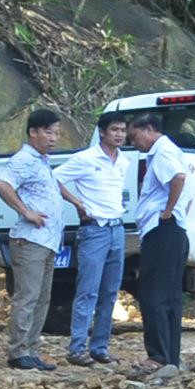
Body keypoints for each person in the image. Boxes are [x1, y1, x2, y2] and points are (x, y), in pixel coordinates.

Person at [54, 111, 132, 365]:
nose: (119, 135)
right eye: (114, 130)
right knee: (88, 290)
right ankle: (77, 347)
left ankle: (100, 346)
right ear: (102, 132)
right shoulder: (86, 158)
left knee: (110, 291)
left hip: (117, 228)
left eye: (122, 130)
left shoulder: (123, 160)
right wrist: (77, 202)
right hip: (94, 229)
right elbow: (54, 178)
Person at [0, 104, 70, 371]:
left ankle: (31, 349)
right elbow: (1, 184)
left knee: (42, 298)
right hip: (30, 240)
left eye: (57, 134)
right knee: (27, 296)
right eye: (49, 133)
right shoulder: (24, 159)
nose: (53, 139)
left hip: (48, 240)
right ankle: (17, 352)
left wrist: (76, 202)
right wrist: (25, 211)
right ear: (33, 132)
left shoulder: (42, 161)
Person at [125, 108, 194, 370]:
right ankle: (170, 356)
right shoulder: (169, 151)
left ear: (149, 130)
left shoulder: (163, 151)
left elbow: (178, 178)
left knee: (153, 293)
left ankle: (157, 356)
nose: (134, 143)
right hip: (171, 230)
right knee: (170, 296)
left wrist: (167, 211)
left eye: (134, 137)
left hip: (163, 229)